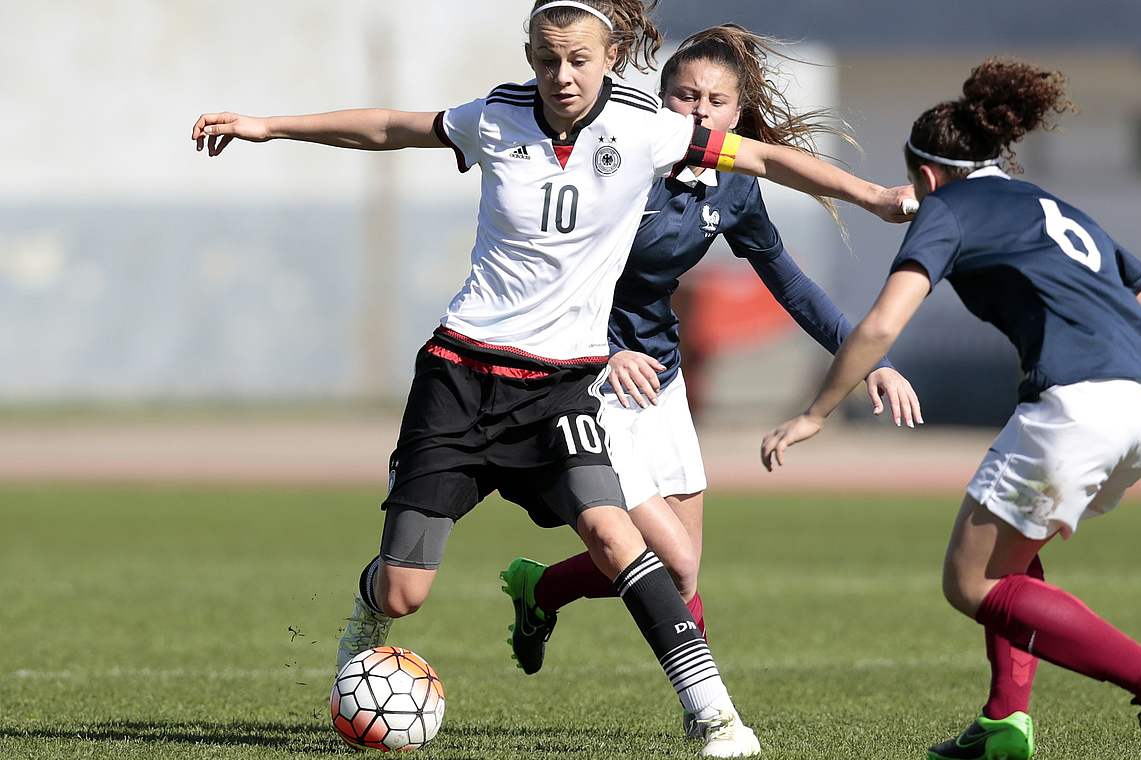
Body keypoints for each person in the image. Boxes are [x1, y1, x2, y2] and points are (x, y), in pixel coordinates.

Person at [191, 2, 913, 756]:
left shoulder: (645, 128)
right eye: (546, 59)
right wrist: (267, 126)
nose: (561, 76)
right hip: (462, 377)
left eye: (577, 60)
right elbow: (392, 128)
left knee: (619, 537)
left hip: (563, 389)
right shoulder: (497, 117)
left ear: (609, 57)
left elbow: (763, 162)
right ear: (529, 54)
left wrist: (873, 197)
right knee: (406, 592)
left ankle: (716, 718)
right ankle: (367, 619)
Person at [759, 59, 1141, 760]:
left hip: (1081, 405)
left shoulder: (947, 210)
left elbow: (883, 326)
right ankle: (1005, 722)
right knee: (1013, 552)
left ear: (923, 176)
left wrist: (817, 413)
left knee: (970, 582)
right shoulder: (1057, 208)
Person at [496, 24, 920, 736]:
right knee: (672, 555)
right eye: (684, 94)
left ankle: (540, 588)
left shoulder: (732, 186)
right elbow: (548, 275)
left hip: (659, 380)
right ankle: (713, 715)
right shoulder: (616, 161)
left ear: (735, 113)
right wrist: (602, 351)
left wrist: (866, 359)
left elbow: (789, 283)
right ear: (659, 100)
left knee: (677, 572)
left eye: (715, 100)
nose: (697, 110)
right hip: (585, 378)